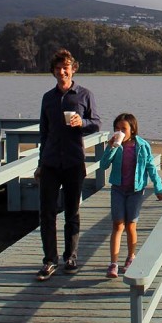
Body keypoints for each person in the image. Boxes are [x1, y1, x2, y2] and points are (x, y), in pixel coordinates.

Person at [35, 48, 101, 281]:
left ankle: (70, 256)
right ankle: (49, 260)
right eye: (58, 68)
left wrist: (80, 122)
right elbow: (44, 133)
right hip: (51, 162)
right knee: (47, 214)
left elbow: (96, 124)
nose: (62, 71)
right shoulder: (47, 98)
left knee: (72, 213)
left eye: (66, 67)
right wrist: (40, 164)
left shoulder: (84, 94)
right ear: (53, 71)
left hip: (74, 162)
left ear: (73, 68)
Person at [98, 112, 162, 278]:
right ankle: (113, 263)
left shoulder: (142, 146)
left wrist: (158, 187)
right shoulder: (114, 146)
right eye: (117, 129)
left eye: (123, 129)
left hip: (136, 190)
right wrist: (111, 147)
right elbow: (104, 165)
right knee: (118, 225)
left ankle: (131, 257)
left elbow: (150, 167)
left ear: (132, 130)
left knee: (131, 225)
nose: (120, 131)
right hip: (118, 189)